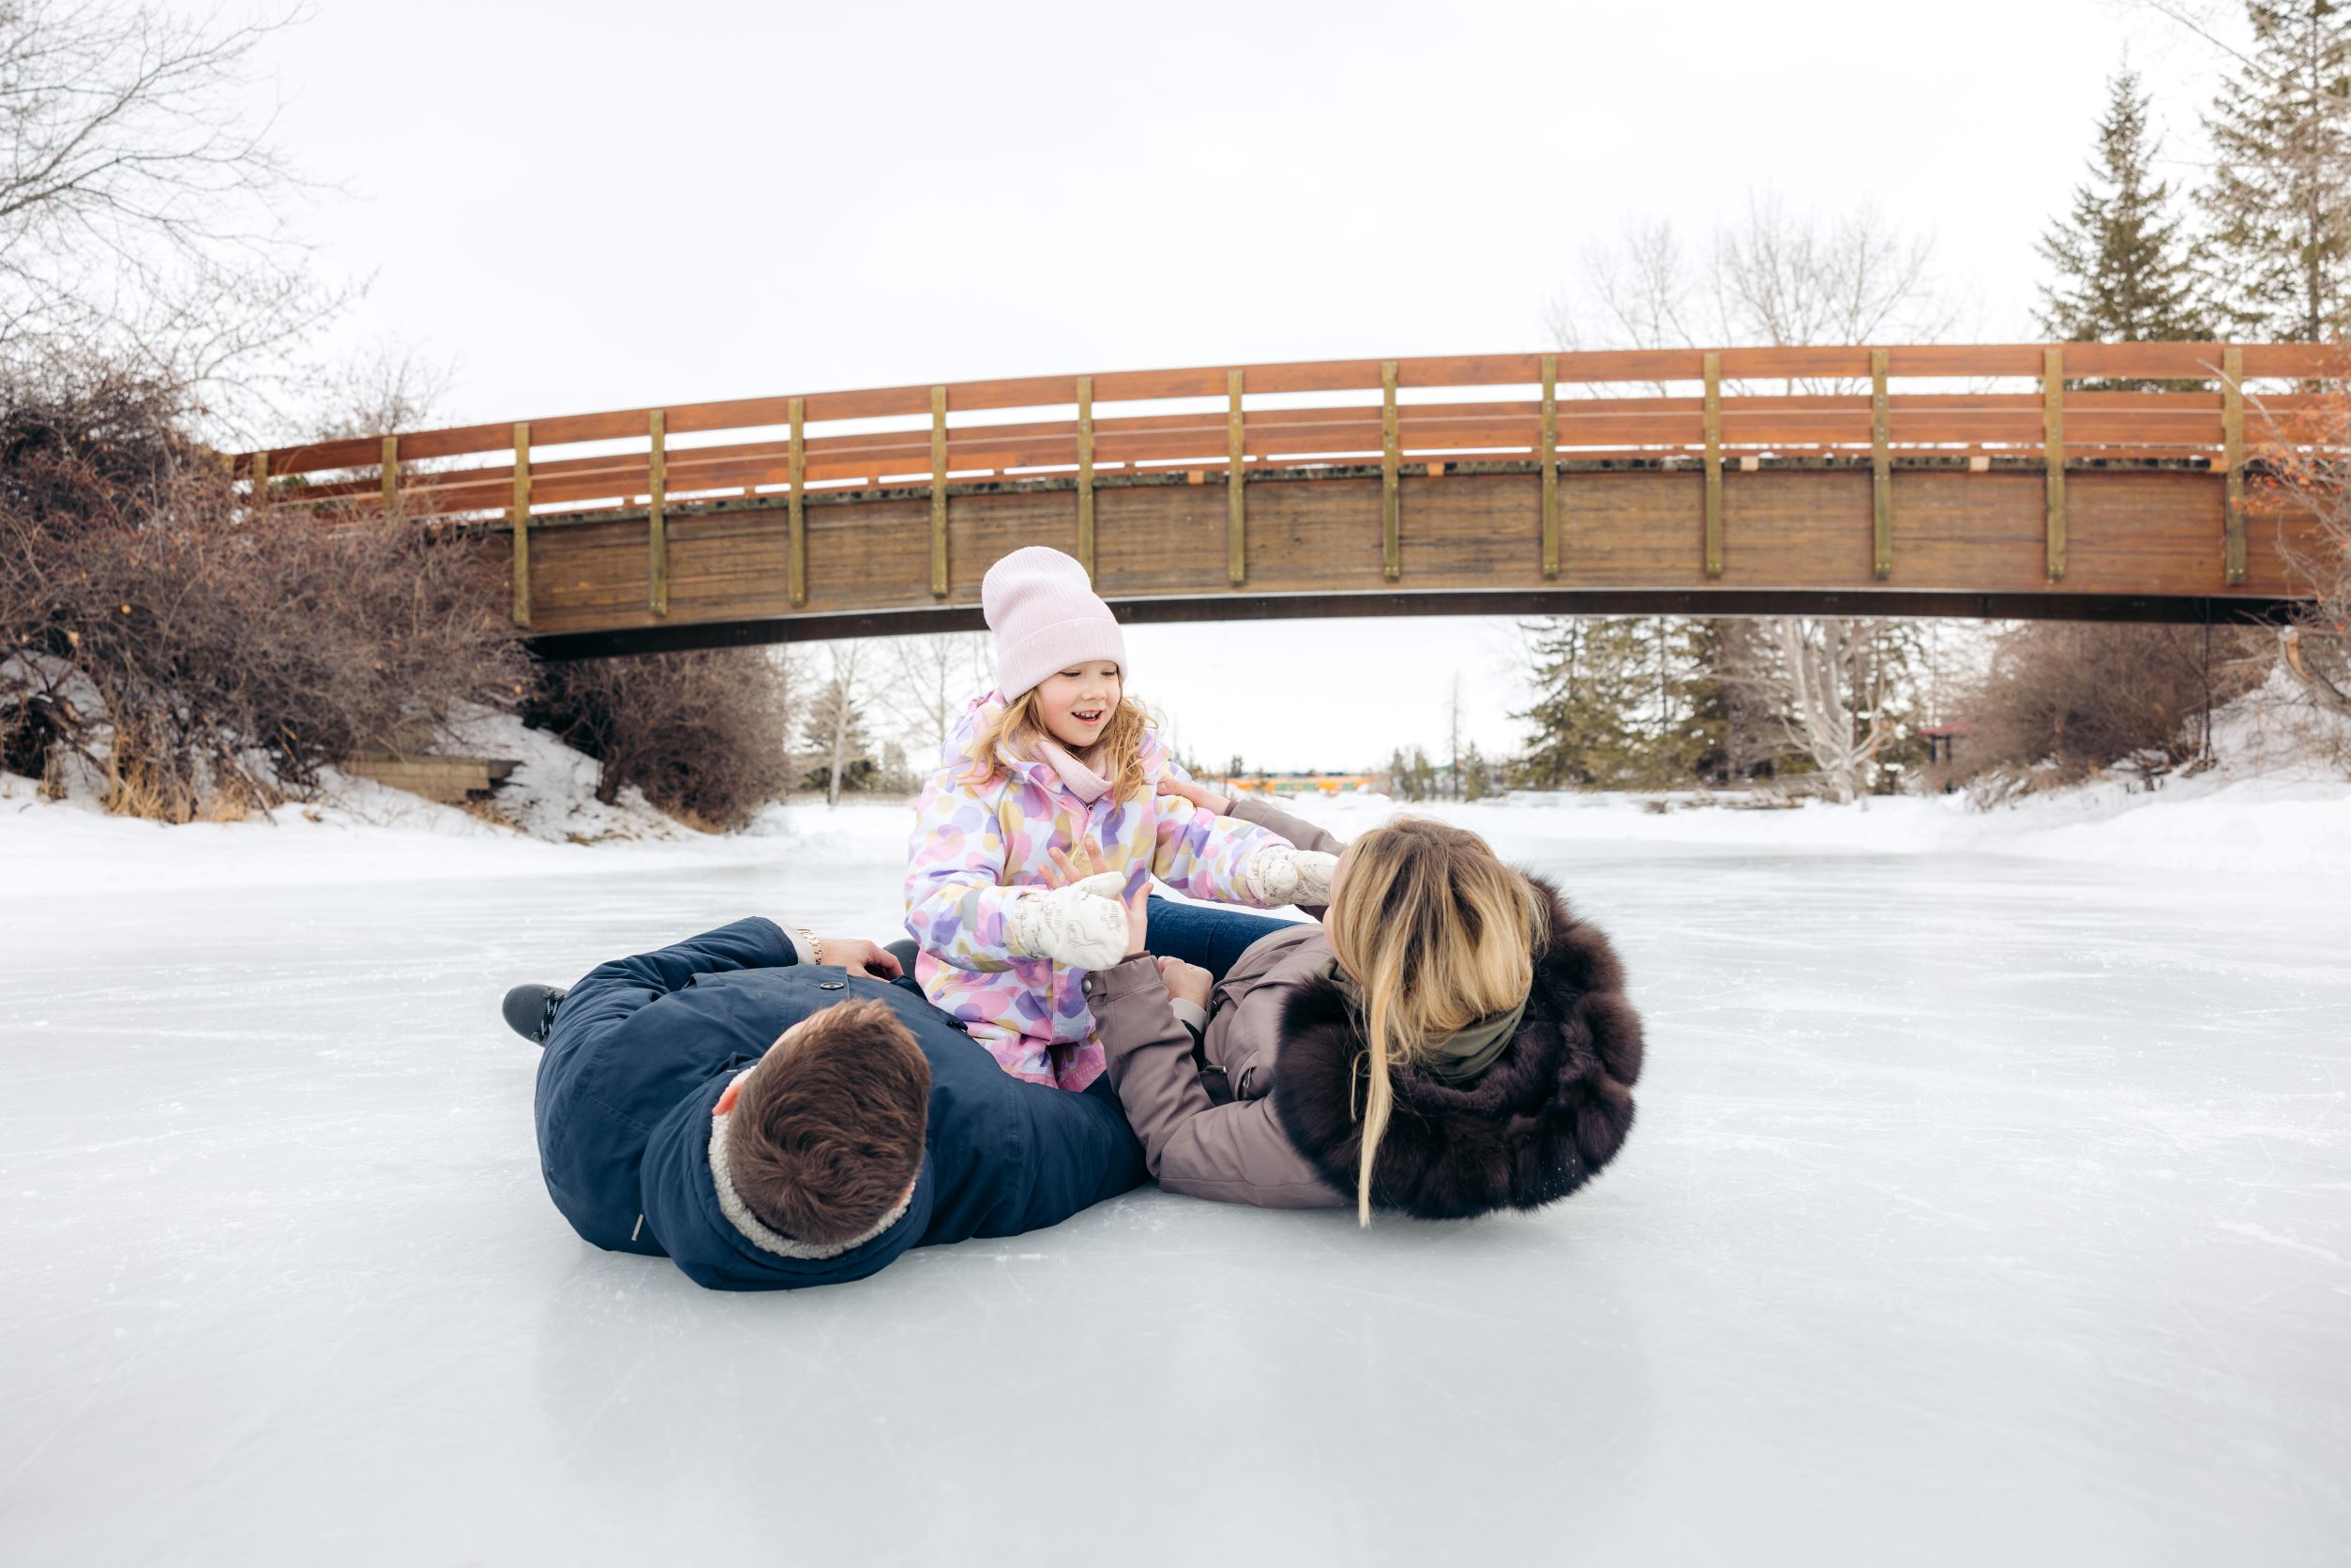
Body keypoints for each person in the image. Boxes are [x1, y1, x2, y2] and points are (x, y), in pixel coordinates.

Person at [1081, 785, 1647, 1224]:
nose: (1330, 901)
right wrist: (1234, 811)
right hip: (1272, 972)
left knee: (1114, 921)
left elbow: (1180, 1143)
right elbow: (1399, 880)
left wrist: (1153, 992)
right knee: (1140, 912)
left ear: (1382, 945)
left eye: (1345, 902)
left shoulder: (1336, 1123)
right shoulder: (1484, 942)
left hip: (1221, 1018)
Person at [502, 916, 1145, 1291]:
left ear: (729, 1097)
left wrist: (802, 945)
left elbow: (617, 980)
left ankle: (563, 1024)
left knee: (595, 1015)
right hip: (934, 1016)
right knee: (917, 960)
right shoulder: (994, 1139)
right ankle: (908, 986)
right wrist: (1174, 1009)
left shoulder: (596, 1095)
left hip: (737, 1002)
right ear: (906, 1189)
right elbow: (1124, 1127)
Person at [904, 545, 1334, 1093]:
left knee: (1129, 1133)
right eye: (1071, 672)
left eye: (1109, 671)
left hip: (1095, 1019)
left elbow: (1193, 838)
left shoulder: (1134, 773)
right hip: (989, 1020)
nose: (1096, 690)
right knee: (1032, 1138)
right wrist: (1038, 922)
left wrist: (1273, 868)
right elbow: (936, 904)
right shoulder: (974, 782)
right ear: (1026, 685)